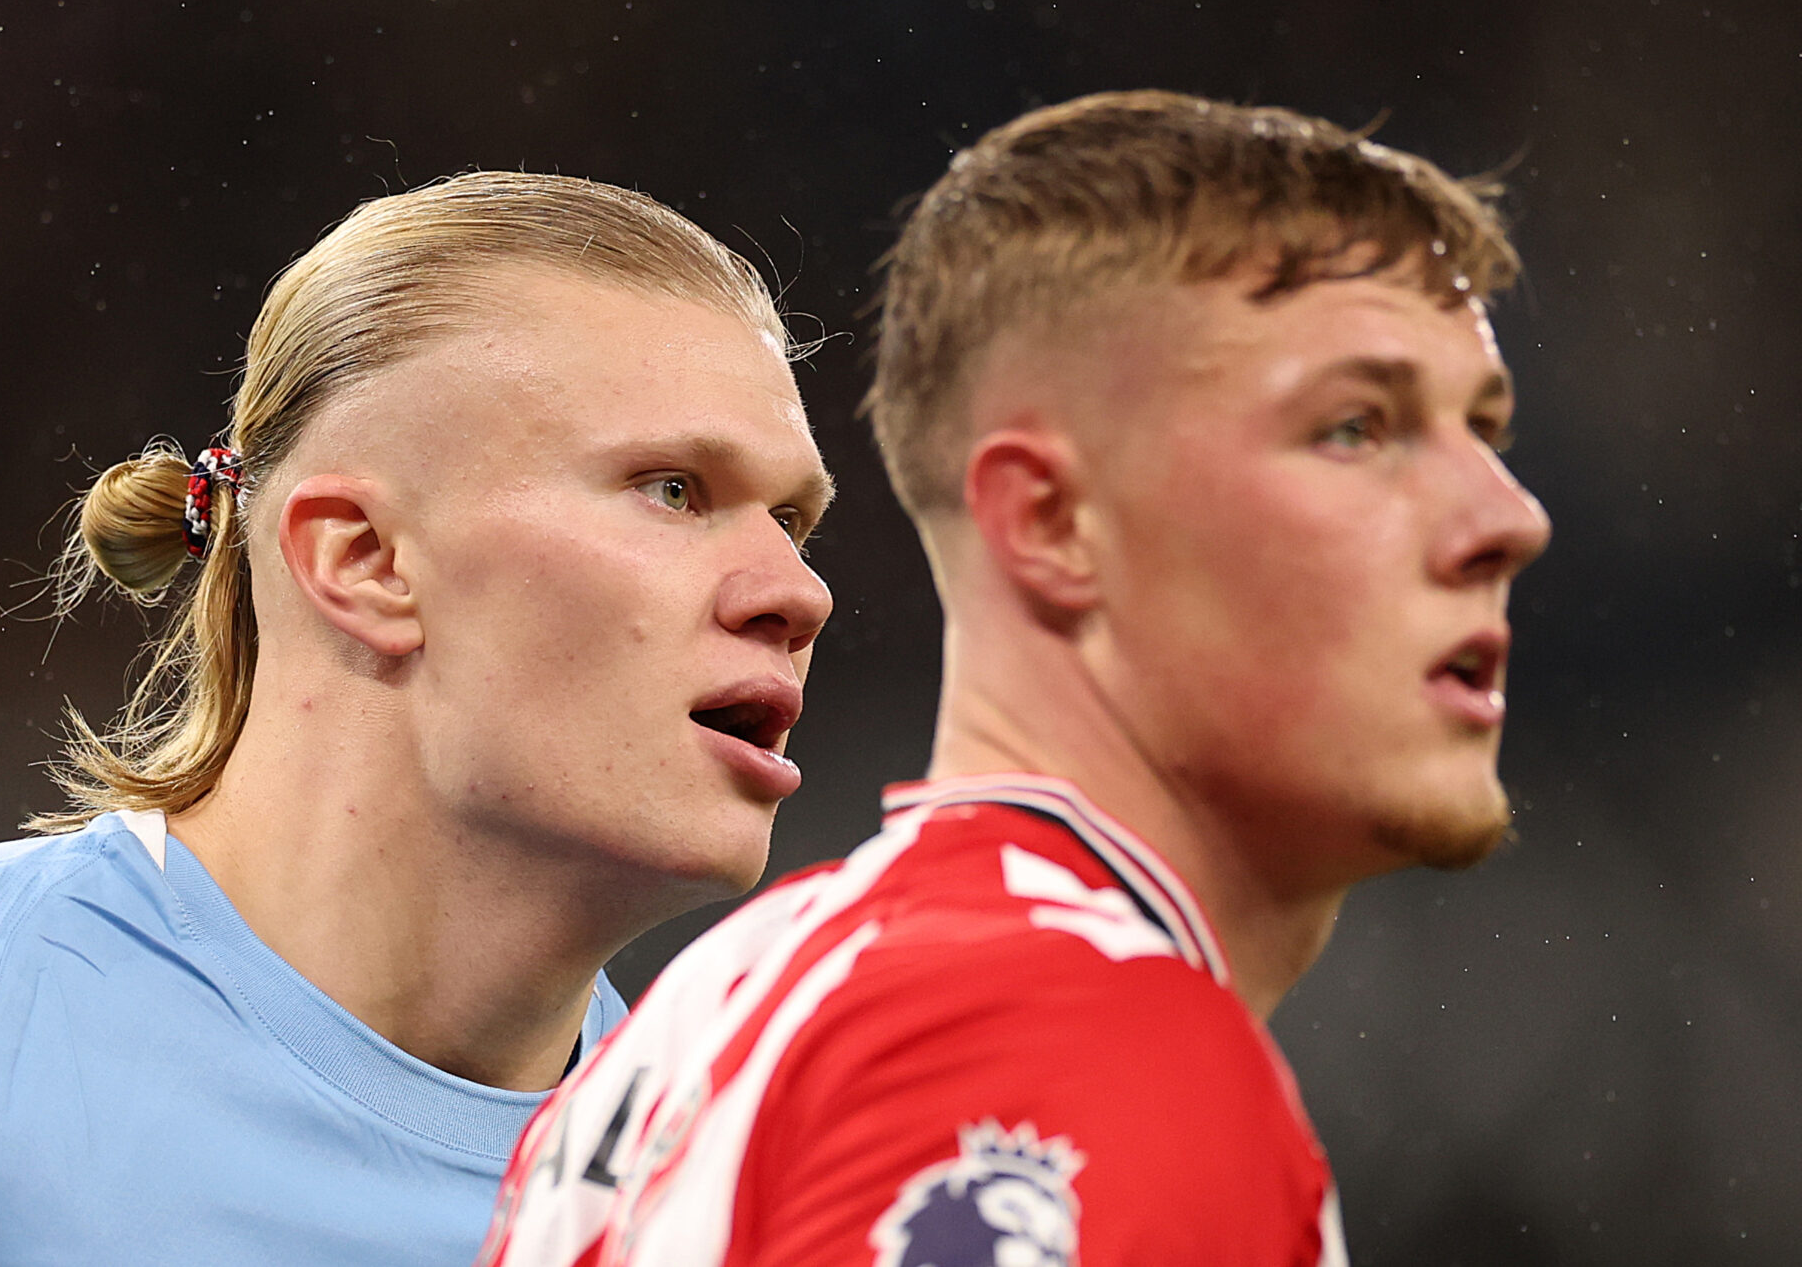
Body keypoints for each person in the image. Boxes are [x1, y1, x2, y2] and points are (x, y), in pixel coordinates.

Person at [478, 91, 1554, 1267]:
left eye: (1481, 434)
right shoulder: (1064, 1038)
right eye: (1355, 427)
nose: (1504, 519)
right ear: (1049, 522)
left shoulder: (697, 1019)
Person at [0, 172, 835, 1266]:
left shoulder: (759, 1191)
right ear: (361, 560)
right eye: (673, 489)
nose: (796, 593)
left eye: (792, 520)